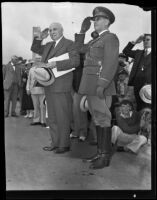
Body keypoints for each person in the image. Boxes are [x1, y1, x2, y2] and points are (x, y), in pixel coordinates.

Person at [75, 6, 119, 169]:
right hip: (89, 85)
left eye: (98, 19)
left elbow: (110, 63)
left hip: (100, 86)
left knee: (103, 118)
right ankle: (100, 153)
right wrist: (81, 31)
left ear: (107, 21)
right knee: (97, 118)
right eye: (94, 19)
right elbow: (79, 49)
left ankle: (105, 157)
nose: (95, 22)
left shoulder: (110, 38)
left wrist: (102, 84)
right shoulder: (94, 40)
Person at [31, 22, 80, 154]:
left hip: (62, 85)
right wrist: (40, 37)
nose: (52, 32)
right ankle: (55, 142)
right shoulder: (48, 45)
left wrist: (56, 64)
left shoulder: (69, 44)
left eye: (55, 29)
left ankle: (64, 144)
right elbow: (35, 48)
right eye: (51, 30)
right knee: (51, 117)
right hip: (49, 84)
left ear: (62, 31)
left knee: (62, 116)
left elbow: (76, 61)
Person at [123, 34, 151, 111]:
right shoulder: (138, 53)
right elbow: (126, 51)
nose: (145, 41)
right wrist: (135, 42)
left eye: (148, 40)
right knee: (139, 106)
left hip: (150, 85)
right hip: (137, 84)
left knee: (148, 107)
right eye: (144, 40)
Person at [26, 58, 46, 127]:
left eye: (39, 60)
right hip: (33, 90)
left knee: (42, 106)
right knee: (35, 106)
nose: (37, 61)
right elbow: (29, 79)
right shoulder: (31, 69)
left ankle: (43, 121)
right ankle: (36, 120)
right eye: (36, 60)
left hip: (42, 90)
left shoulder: (44, 68)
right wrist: (28, 88)